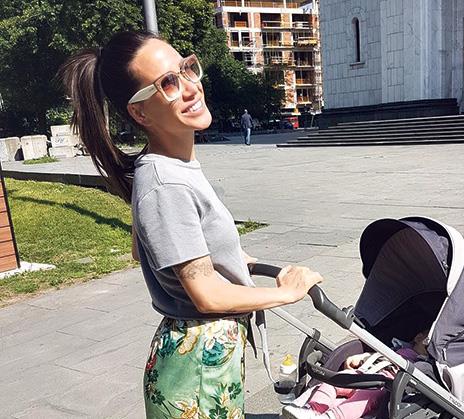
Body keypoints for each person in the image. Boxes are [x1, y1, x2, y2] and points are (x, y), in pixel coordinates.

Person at [59, 31, 323, 419]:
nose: (189, 87)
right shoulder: (165, 182)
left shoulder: (170, 168)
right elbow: (207, 297)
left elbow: (146, 249)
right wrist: (286, 293)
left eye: (185, 69)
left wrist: (236, 260)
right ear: (140, 113)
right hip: (196, 373)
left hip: (202, 363)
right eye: (168, 83)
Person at [282, 330, 430, 419]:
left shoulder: (424, 362)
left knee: (366, 397)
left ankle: (331, 416)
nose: (431, 344)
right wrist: (361, 357)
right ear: (418, 337)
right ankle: (312, 409)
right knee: (333, 382)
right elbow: (378, 355)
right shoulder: (399, 348)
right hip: (364, 371)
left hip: (383, 384)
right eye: (429, 339)